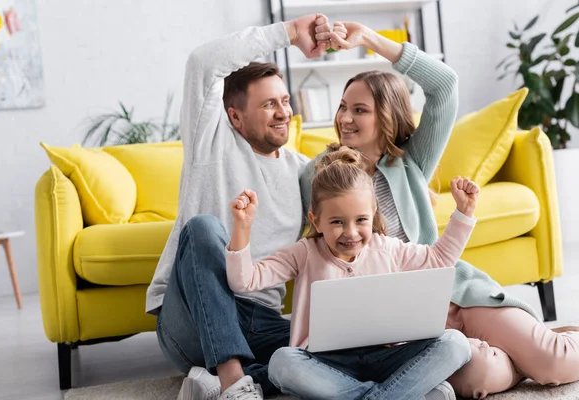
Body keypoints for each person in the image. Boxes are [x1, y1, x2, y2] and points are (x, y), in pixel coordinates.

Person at [302, 21, 579, 399]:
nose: (345, 118)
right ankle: (525, 350)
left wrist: (367, 39)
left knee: (555, 364)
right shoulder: (320, 174)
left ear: (386, 117)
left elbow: (444, 85)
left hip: (458, 294)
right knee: (474, 380)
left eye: (359, 109)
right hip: (406, 327)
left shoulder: (409, 162)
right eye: (342, 107)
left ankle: (541, 347)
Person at [145, 14, 337, 400]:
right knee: (203, 228)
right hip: (190, 319)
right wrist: (289, 33)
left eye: (284, 100)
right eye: (268, 104)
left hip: (260, 320)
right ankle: (234, 382)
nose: (283, 111)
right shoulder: (211, 142)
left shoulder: (302, 171)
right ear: (235, 116)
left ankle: (216, 383)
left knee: (338, 353)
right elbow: (202, 62)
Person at [226, 147, 480, 400]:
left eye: (361, 220)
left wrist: (464, 213)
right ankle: (398, 394)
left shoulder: (387, 248)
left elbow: (439, 259)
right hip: (324, 364)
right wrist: (243, 227)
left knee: (455, 343)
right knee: (282, 362)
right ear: (316, 221)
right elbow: (244, 280)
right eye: (337, 222)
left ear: (373, 216)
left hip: (385, 357)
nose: (351, 232)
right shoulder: (304, 252)